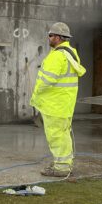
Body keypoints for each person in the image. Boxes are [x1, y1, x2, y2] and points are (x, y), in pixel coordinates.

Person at [30, 22, 86, 177]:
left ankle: (61, 167)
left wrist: (36, 95)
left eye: (50, 35)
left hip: (54, 104)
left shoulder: (57, 56)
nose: (48, 38)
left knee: (56, 136)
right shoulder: (70, 53)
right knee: (62, 135)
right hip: (63, 104)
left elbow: (46, 82)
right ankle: (63, 164)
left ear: (59, 37)